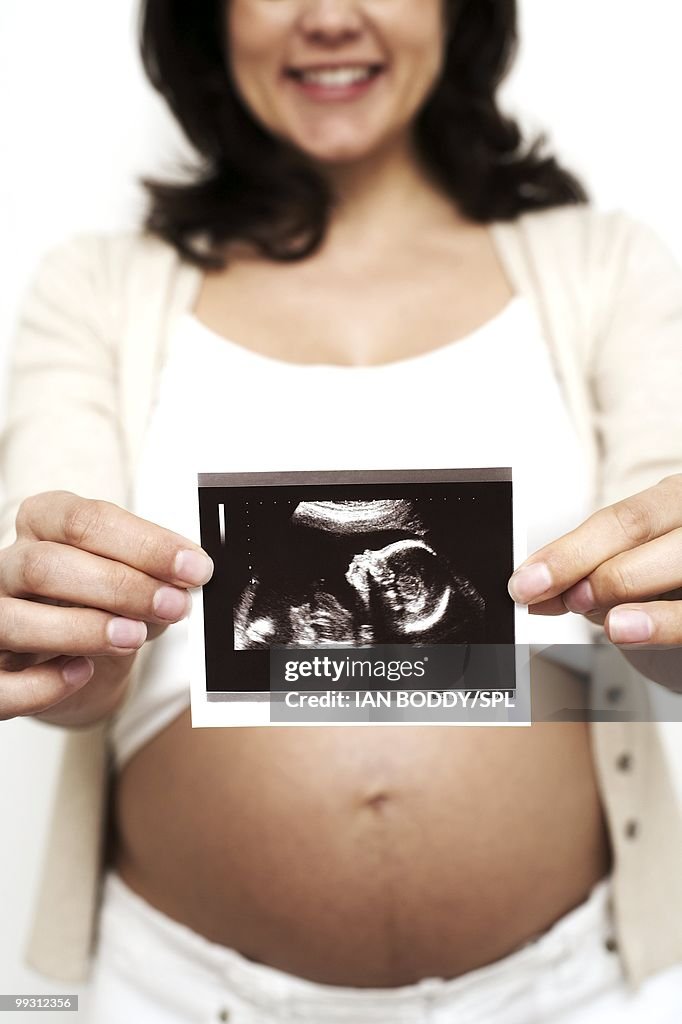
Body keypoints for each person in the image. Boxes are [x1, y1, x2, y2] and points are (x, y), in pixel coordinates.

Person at [1, 0, 682, 1021]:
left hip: (568, 990)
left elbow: (667, 551)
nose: (328, 15)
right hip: (177, 992)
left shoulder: (605, 265)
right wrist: (64, 650)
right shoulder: (97, 288)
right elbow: (45, 582)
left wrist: (668, 629)